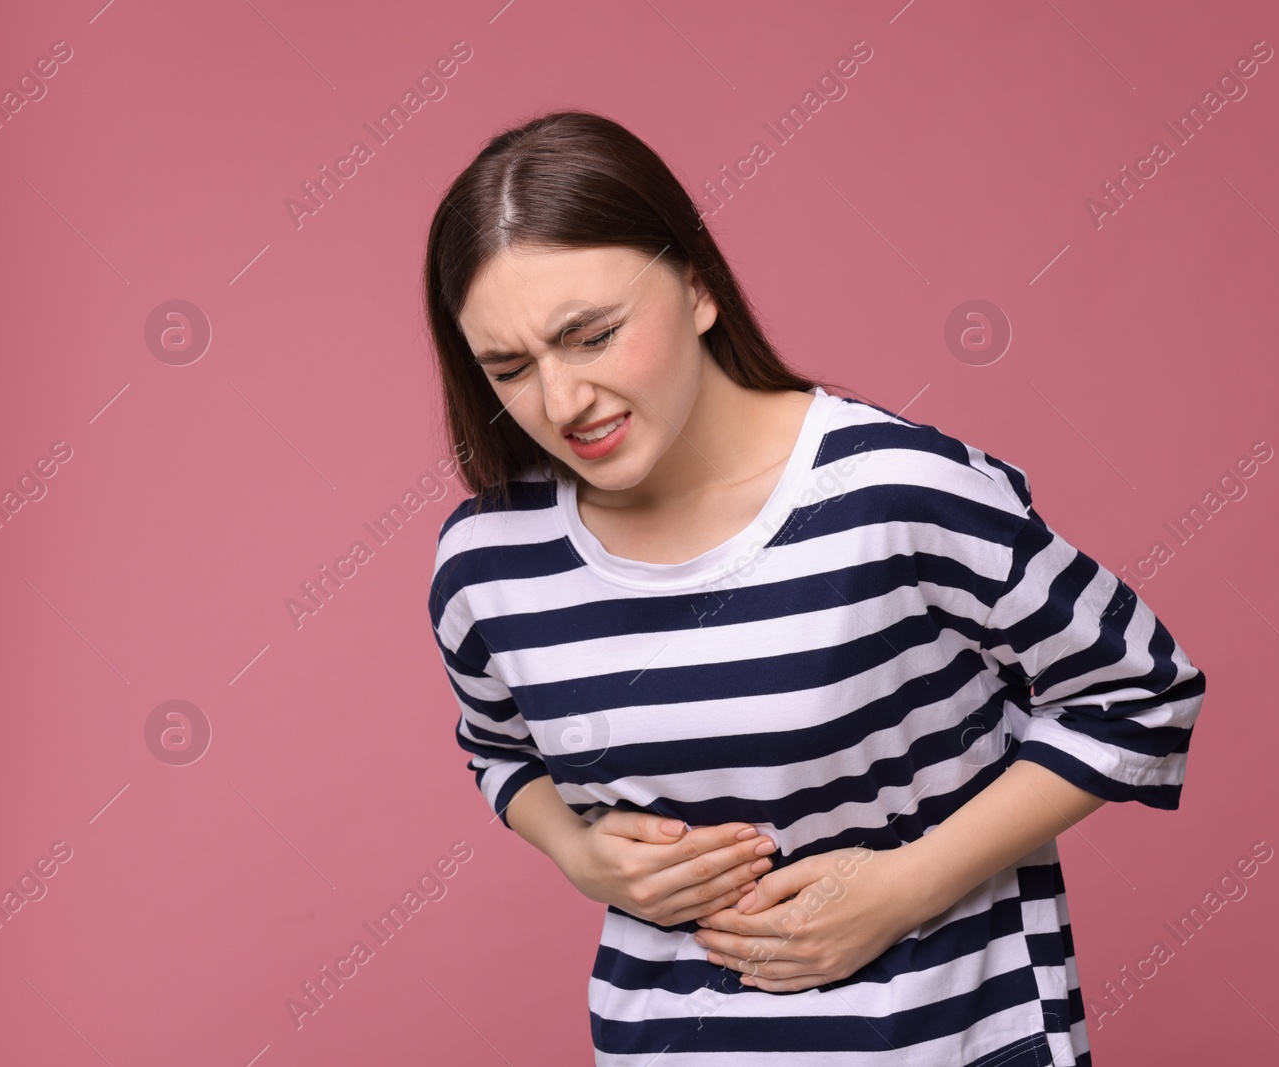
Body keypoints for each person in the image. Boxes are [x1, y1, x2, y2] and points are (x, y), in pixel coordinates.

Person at [422, 109, 1206, 1066]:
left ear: (698, 286)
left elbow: (1141, 690)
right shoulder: (489, 562)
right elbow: (498, 749)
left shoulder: (891, 491)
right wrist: (581, 854)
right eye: (510, 367)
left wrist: (910, 884)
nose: (561, 400)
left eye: (592, 335)